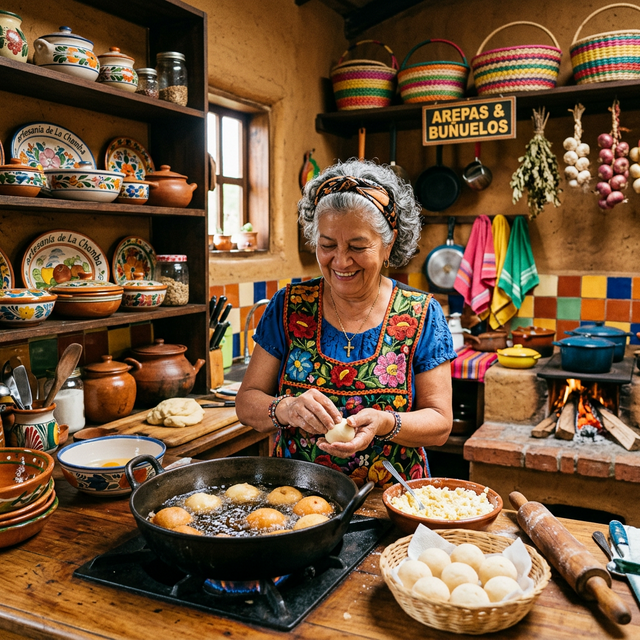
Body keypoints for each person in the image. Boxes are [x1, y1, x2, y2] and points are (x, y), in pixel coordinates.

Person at [235, 159, 456, 487]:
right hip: (296, 499)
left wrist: (385, 422)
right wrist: (286, 408)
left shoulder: (421, 314)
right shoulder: (290, 306)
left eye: (357, 246)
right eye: (327, 245)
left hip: (390, 500)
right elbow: (246, 402)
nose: (340, 260)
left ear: (388, 243)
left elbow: (440, 424)